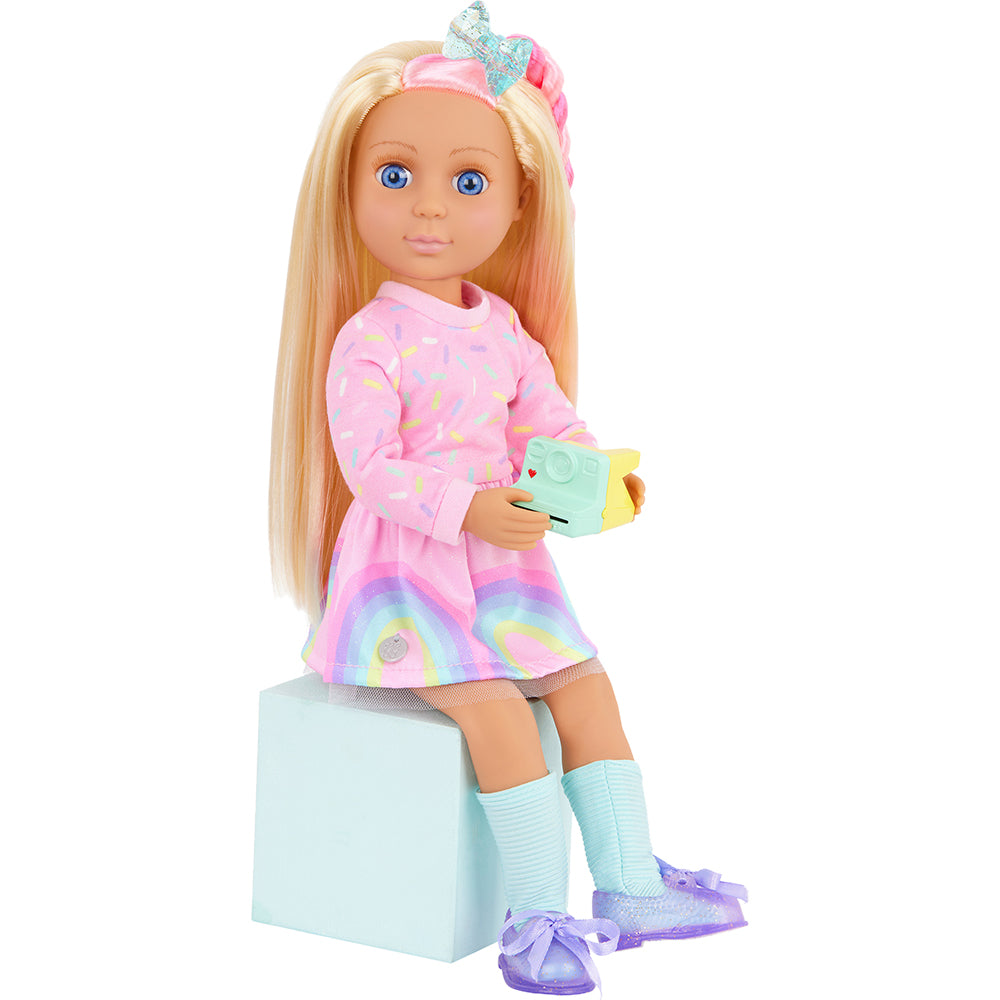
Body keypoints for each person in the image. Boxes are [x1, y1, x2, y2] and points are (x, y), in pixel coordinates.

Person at [269, 4, 747, 993]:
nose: (428, 209)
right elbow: (371, 466)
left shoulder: (503, 332)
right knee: (495, 716)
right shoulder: (369, 338)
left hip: (505, 570)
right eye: (393, 176)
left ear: (522, 201)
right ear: (347, 189)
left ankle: (630, 884)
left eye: (468, 181)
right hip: (407, 577)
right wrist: (466, 507)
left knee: (587, 687)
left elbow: (549, 425)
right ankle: (536, 914)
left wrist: (598, 480)